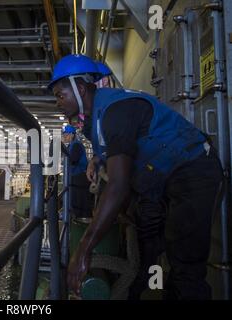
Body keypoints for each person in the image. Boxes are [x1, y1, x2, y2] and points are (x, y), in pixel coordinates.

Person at [49, 54, 223, 300]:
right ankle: (140, 291)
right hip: (160, 182)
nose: (58, 103)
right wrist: (97, 160)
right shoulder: (96, 120)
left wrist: (83, 250)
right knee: (147, 248)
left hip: (193, 172)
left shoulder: (115, 110)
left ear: (79, 88)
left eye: (60, 95)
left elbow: (118, 186)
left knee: (185, 263)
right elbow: (115, 148)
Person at [62, 125, 94, 219]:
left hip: (79, 178)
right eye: (64, 135)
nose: (64, 137)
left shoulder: (76, 145)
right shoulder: (72, 145)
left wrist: (64, 158)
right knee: (77, 203)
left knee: (80, 204)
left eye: (66, 135)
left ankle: (81, 223)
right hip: (77, 178)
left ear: (72, 135)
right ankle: (78, 219)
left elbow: (73, 160)